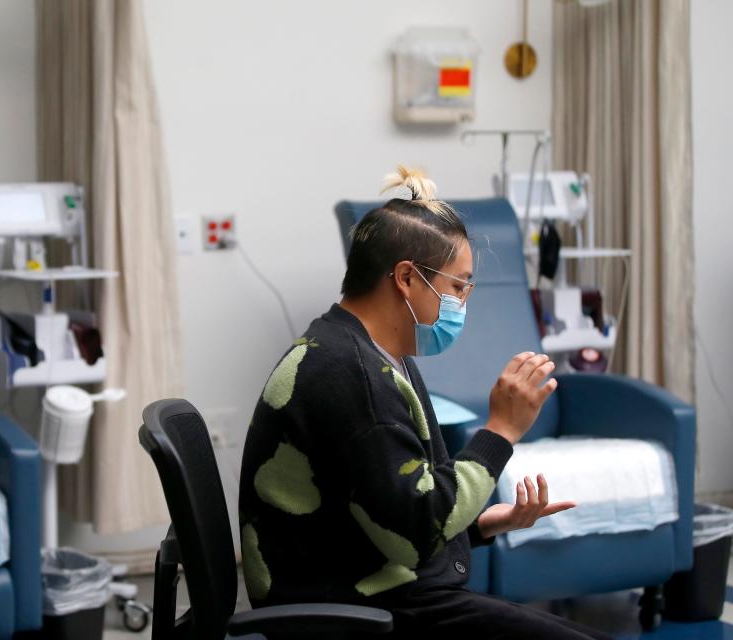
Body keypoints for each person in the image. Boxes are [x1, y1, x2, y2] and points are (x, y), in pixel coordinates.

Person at [238, 166, 614, 639]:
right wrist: (502, 429)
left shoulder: (365, 354)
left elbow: (390, 509)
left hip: (376, 586)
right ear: (406, 278)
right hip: (352, 612)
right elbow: (414, 532)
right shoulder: (349, 374)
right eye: (458, 286)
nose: (462, 303)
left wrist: (476, 526)